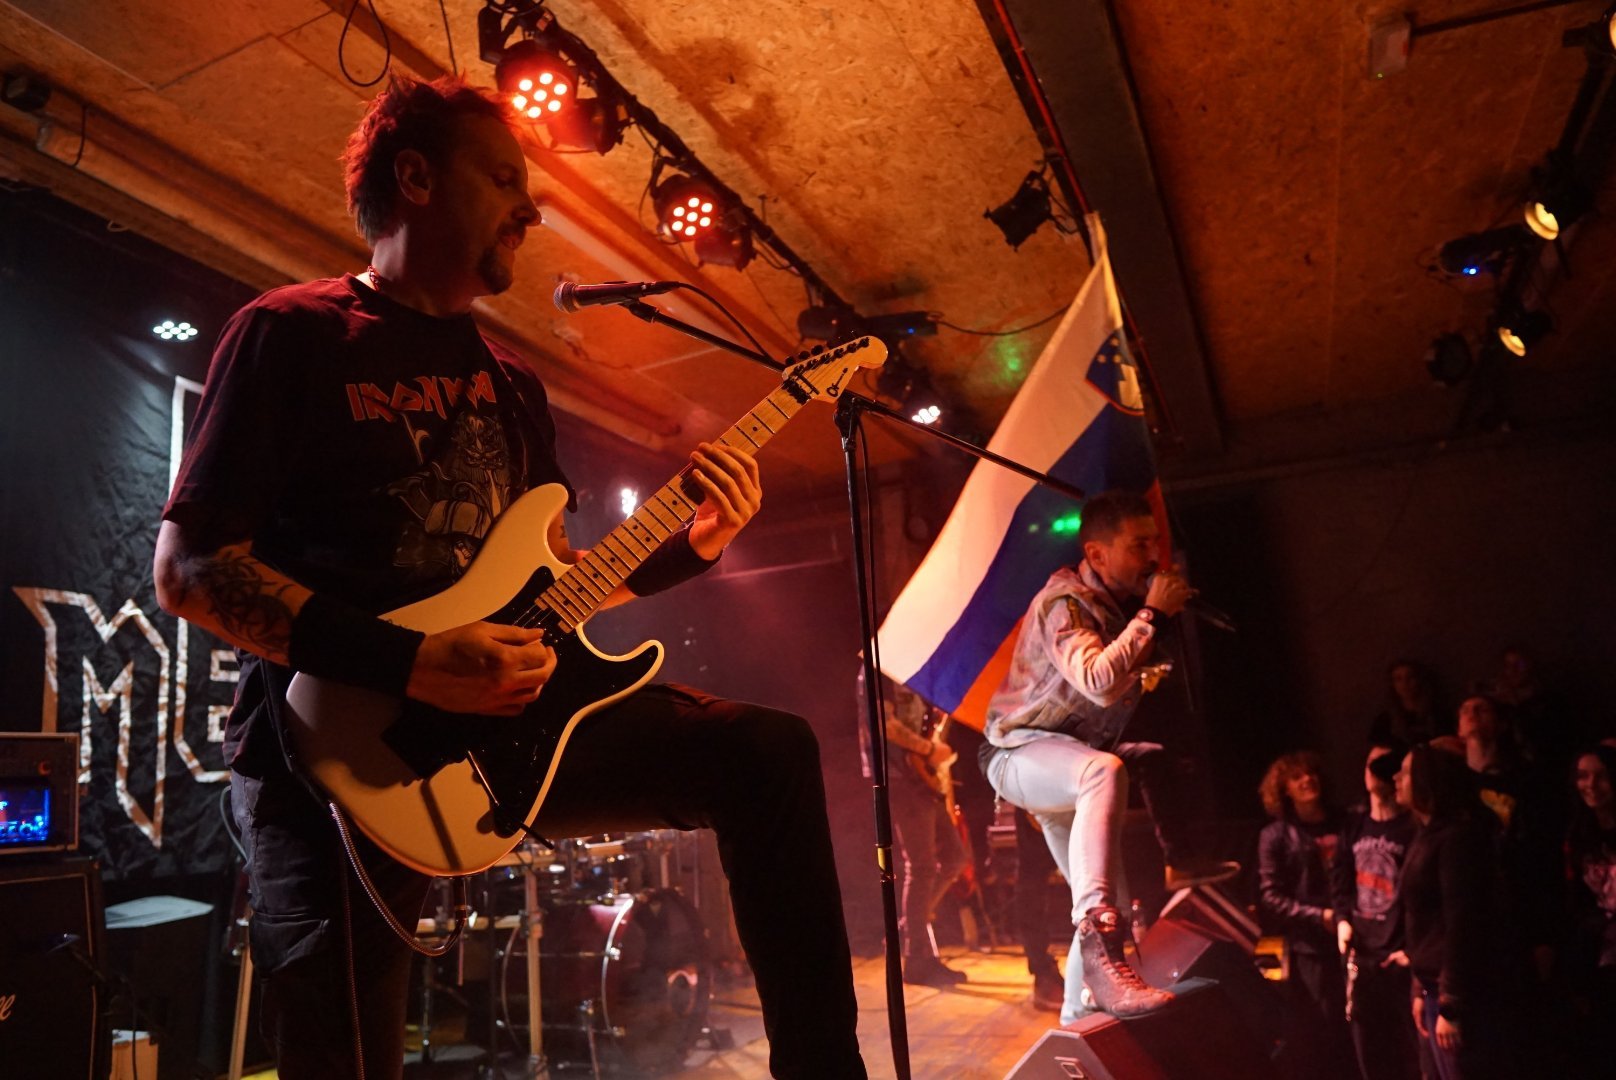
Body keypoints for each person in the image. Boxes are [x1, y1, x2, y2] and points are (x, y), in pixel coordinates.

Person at [152, 76, 866, 1080]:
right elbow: (192, 573)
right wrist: (413, 665)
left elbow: (553, 584)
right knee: (344, 1053)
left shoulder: (512, 381)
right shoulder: (291, 333)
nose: (530, 209)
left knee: (764, 753)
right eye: (501, 179)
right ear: (414, 178)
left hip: (508, 727)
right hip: (336, 753)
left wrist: (693, 545)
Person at [978, 489, 1236, 1023]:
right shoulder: (1064, 602)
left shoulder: (1115, 613)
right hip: (1016, 752)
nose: (1153, 556)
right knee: (1105, 771)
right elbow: (1096, 681)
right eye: (1139, 545)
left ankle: (1076, 1019)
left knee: (1106, 893)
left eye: (1155, 543)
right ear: (1096, 554)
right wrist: (1152, 614)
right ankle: (1099, 941)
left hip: (1064, 761)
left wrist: (1152, 625)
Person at [1394, 743, 1513, 1079]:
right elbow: (1421, 920)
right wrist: (1420, 988)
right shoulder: (1425, 835)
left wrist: (1451, 1003)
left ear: (1427, 780)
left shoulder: (1457, 839)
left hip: (1461, 996)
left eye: (1406, 772)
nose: (1397, 778)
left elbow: (1462, 923)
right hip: (1434, 987)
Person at [856, 675, 971, 986]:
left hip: (922, 778)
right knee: (921, 867)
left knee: (955, 858)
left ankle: (908, 929)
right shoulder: (877, 672)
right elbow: (884, 726)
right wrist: (928, 749)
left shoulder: (909, 674)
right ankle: (917, 958)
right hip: (901, 779)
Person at [1256, 751, 1354, 1080]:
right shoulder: (1276, 835)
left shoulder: (1346, 822)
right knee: (1326, 1024)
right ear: (1284, 789)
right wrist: (1319, 916)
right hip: (1312, 947)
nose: (1308, 779)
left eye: (1311, 773)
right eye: (1297, 777)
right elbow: (1271, 896)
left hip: (1359, 936)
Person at [1332, 744, 1419, 1080]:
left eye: (1382, 763)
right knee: (1371, 1050)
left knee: (1411, 1049)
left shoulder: (1411, 828)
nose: (1374, 769)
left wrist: (1412, 949)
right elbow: (1340, 879)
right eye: (1370, 762)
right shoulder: (1354, 825)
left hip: (1399, 956)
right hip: (1363, 958)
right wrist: (1342, 920)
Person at [1562, 745, 1616, 1076]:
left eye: (1601, 776)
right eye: (1583, 776)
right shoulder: (1578, 833)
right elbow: (1574, 901)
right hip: (1597, 955)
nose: (1591, 785)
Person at [1369, 659, 1445, 748]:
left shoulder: (1438, 715)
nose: (1405, 683)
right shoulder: (1385, 720)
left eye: (1410, 677)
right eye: (1398, 679)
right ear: (1393, 684)